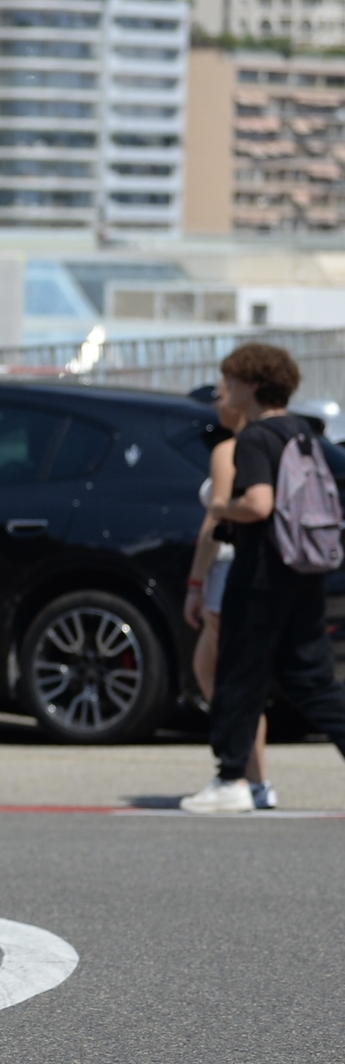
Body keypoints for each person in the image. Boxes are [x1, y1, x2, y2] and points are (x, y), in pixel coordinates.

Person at [179, 343, 345, 813]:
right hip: (305, 568)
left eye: (229, 383)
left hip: (262, 573)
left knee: (238, 675)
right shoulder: (303, 433)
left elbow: (259, 504)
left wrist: (221, 508)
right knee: (312, 679)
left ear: (250, 387)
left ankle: (231, 780)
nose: (224, 392)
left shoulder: (255, 439)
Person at [182, 386, 272, 807]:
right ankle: (252, 778)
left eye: (222, 393)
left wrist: (195, 584)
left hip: (225, 571)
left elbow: (213, 519)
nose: (217, 403)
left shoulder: (229, 450)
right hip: (263, 571)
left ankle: (240, 778)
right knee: (221, 676)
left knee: (230, 682)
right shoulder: (272, 443)